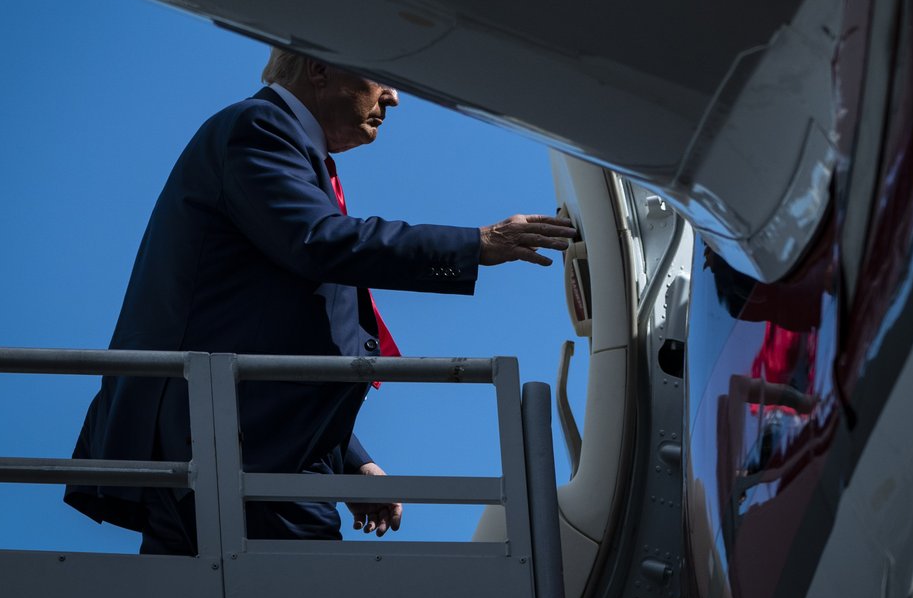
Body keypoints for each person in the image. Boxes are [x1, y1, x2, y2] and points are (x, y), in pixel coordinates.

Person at [64, 48, 574, 554]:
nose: (394, 98)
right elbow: (317, 241)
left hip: (239, 439)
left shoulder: (285, 146)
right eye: (382, 77)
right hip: (242, 445)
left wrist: (352, 461)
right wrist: (473, 245)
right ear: (318, 68)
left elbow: (276, 325)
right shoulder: (258, 127)